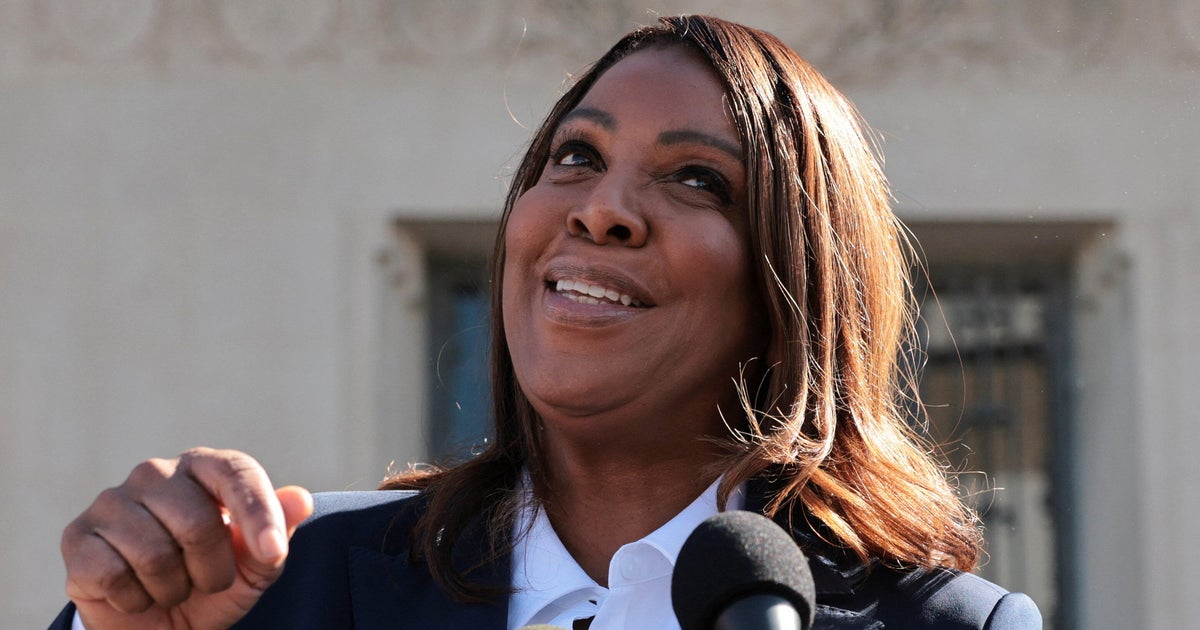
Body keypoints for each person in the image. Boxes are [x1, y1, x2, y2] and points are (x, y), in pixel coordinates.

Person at [52, 15, 1041, 630]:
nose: (599, 208)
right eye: (573, 156)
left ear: (796, 280)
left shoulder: (947, 625)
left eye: (697, 178)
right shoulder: (292, 589)